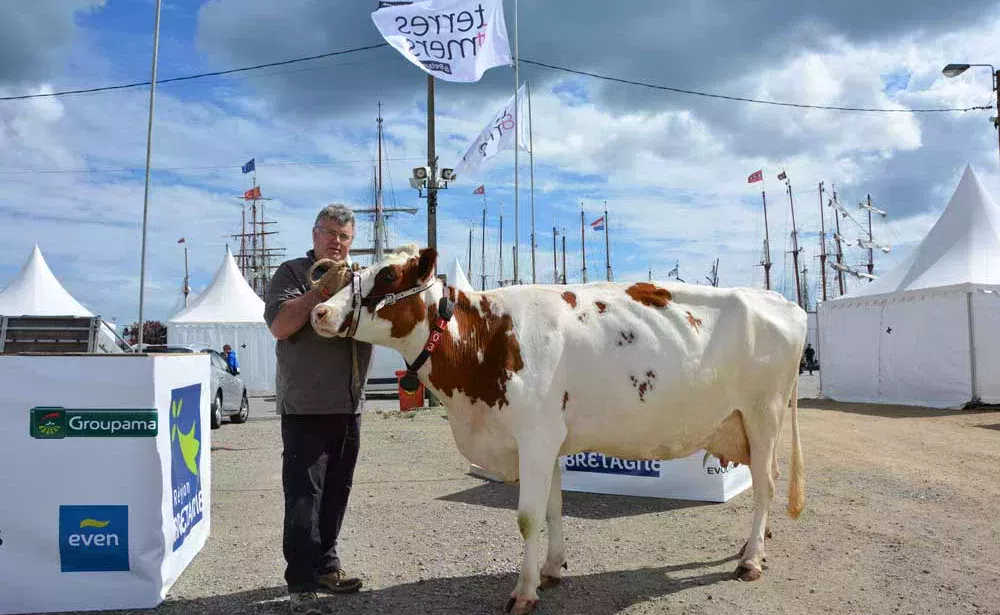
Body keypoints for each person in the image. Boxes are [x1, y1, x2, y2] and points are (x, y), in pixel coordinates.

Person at [264, 204, 373, 614]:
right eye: (330, 233)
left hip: (349, 406)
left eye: (344, 236)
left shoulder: (362, 278)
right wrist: (321, 290)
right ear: (314, 234)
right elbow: (280, 325)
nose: (337, 242)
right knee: (304, 497)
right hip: (305, 408)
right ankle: (301, 582)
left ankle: (328, 567)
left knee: (336, 494)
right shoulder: (292, 273)